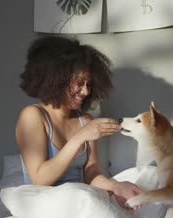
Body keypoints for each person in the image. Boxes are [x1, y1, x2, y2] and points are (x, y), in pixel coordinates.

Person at [16, 36, 142, 209]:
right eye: (79, 83)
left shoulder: (86, 121)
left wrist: (116, 187)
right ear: (57, 79)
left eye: (89, 84)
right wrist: (80, 137)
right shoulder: (32, 116)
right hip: (41, 204)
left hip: (75, 202)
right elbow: (39, 179)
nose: (85, 91)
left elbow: (92, 173)